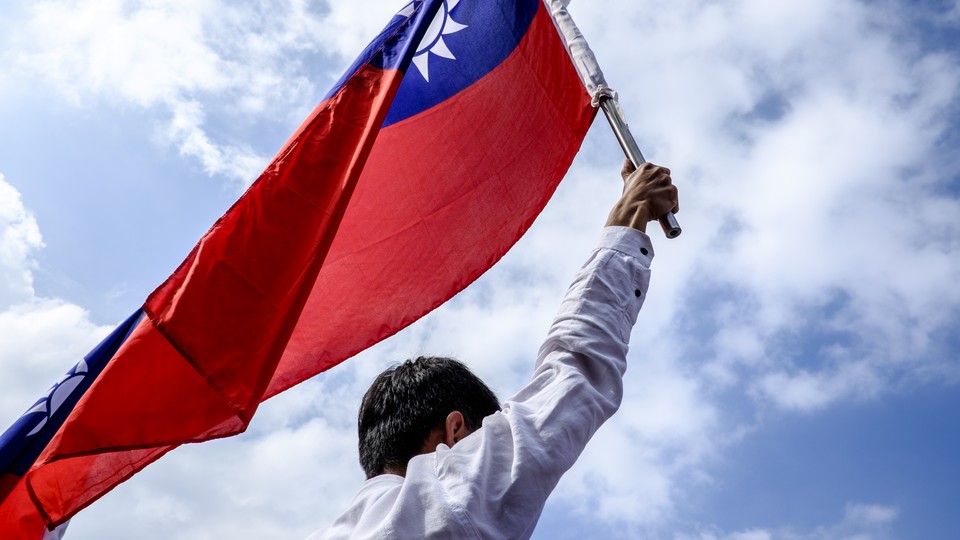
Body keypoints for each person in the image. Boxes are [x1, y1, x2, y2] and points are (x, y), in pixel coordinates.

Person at [308, 161, 679, 540]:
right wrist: (630, 213)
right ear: (455, 431)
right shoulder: (446, 501)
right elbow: (575, 368)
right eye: (481, 436)